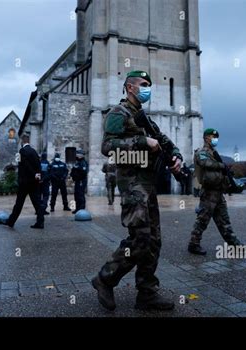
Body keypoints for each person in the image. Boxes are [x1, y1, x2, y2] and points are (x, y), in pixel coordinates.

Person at [92, 70, 182, 311]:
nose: (148, 88)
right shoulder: (117, 114)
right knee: (140, 239)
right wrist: (142, 142)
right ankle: (105, 278)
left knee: (154, 241)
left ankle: (147, 293)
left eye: (150, 84)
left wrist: (176, 156)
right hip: (132, 184)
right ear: (130, 87)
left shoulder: (145, 118)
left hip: (148, 183)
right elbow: (108, 147)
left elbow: (164, 141)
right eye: (143, 84)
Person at [187, 128, 242, 255]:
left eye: (216, 137)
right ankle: (193, 244)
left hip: (218, 192)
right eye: (213, 137)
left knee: (224, 220)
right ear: (206, 138)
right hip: (209, 192)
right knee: (202, 220)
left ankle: (234, 244)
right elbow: (204, 163)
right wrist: (222, 166)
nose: (215, 139)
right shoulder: (202, 152)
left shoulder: (214, 153)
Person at [6, 135, 44, 229]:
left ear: (22, 142)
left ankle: (11, 222)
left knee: (19, 203)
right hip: (34, 182)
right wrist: (37, 175)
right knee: (37, 203)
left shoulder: (22, 151)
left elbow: (24, 165)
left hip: (25, 182)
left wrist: (32, 174)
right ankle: (40, 222)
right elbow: (39, 165)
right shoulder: (34, 152)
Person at [70, 149, 88, 214]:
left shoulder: (83, 163)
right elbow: (73, 171)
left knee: (80, 194)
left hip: (81, 181)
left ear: (81, 155)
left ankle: (81, 208)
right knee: (76, 194)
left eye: (78, 154)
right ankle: (77, 208)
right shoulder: (77, 162)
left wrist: (77, 173)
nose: (76, 155)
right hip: (77, 181)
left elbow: (83, 172)